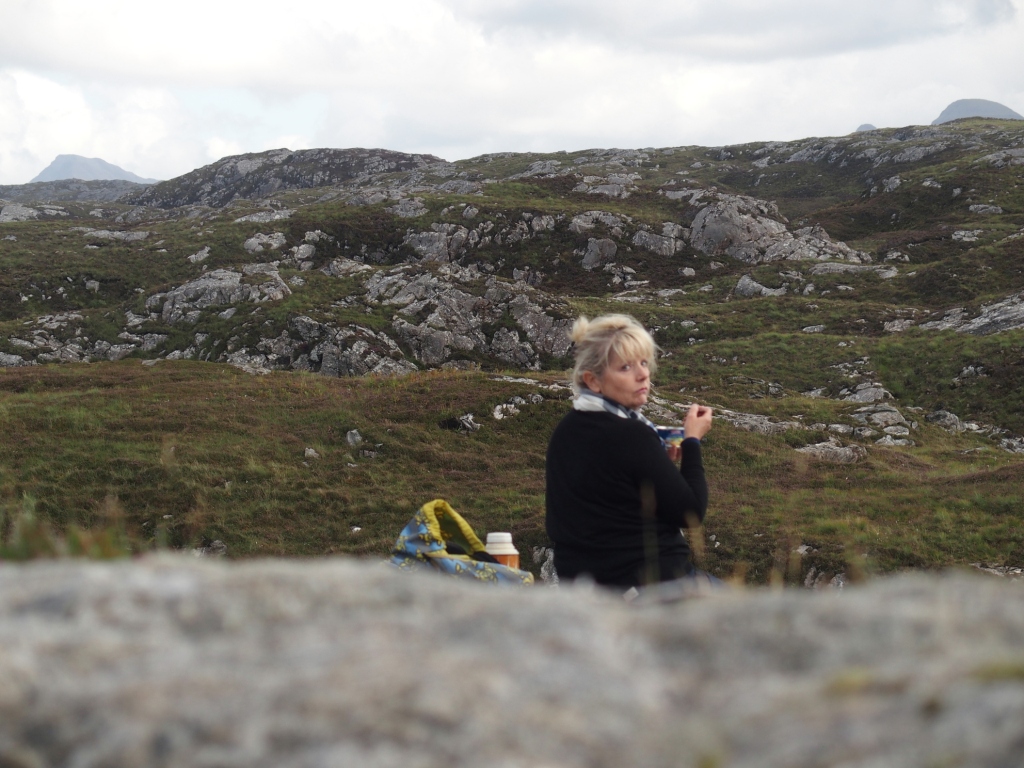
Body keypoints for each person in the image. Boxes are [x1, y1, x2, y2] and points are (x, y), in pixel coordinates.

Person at [545, 313, 715, 590]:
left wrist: (653, 458)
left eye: (644, 362)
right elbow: (691, 512)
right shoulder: (630, 434)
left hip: (589, 586)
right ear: (593, 380)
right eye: (625, 367)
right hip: (654, 586)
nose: (643, 374)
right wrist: (692, 441)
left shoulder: (567, 429)